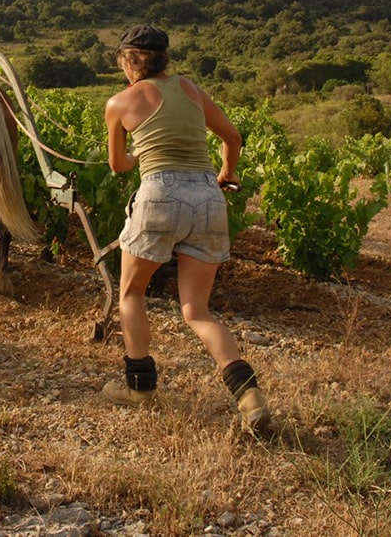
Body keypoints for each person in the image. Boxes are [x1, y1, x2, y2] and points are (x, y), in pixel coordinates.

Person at [101, 24, 271, 435]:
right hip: (207, 198)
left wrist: (139, 149)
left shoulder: (119, 103)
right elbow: (232, 137)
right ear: (163, 59)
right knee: (197, 310)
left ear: (128, 61)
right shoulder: (192, 90)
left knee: (131, 292)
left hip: (160, 194)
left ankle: (139, 388)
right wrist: (227, 175)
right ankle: (248, 396)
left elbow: (118, 166)